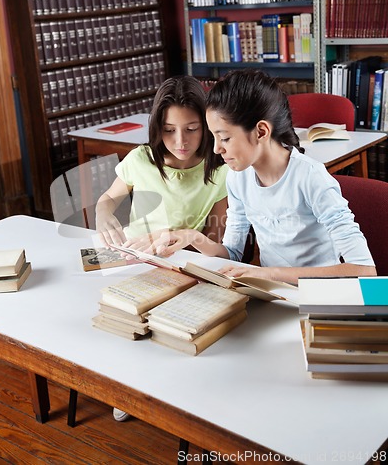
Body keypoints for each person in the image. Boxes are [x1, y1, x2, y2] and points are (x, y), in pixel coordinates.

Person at [140, 69, 376, 283]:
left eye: (225, 138)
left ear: (261, 131)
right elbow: (232, 253)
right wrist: (192, 237)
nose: (216, 149)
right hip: (272, 293)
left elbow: (363, 270)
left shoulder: (310, 178)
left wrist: (269, 272)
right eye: (213, 137)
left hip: (317, 296)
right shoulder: (237, 178)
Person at [95, 75, 229, 421]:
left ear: (208, 125)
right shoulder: (142, 159)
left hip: (178, 264)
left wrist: (185, 237)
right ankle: (126, 384)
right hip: (129, 257)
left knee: (166, 323)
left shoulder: (220, 171)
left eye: (192, 129)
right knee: (109, 313)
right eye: (169, 130)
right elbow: (108, 199)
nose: (180, 141)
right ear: (157, 128)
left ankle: (153, 388)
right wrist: (102, 212)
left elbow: (219, 242)